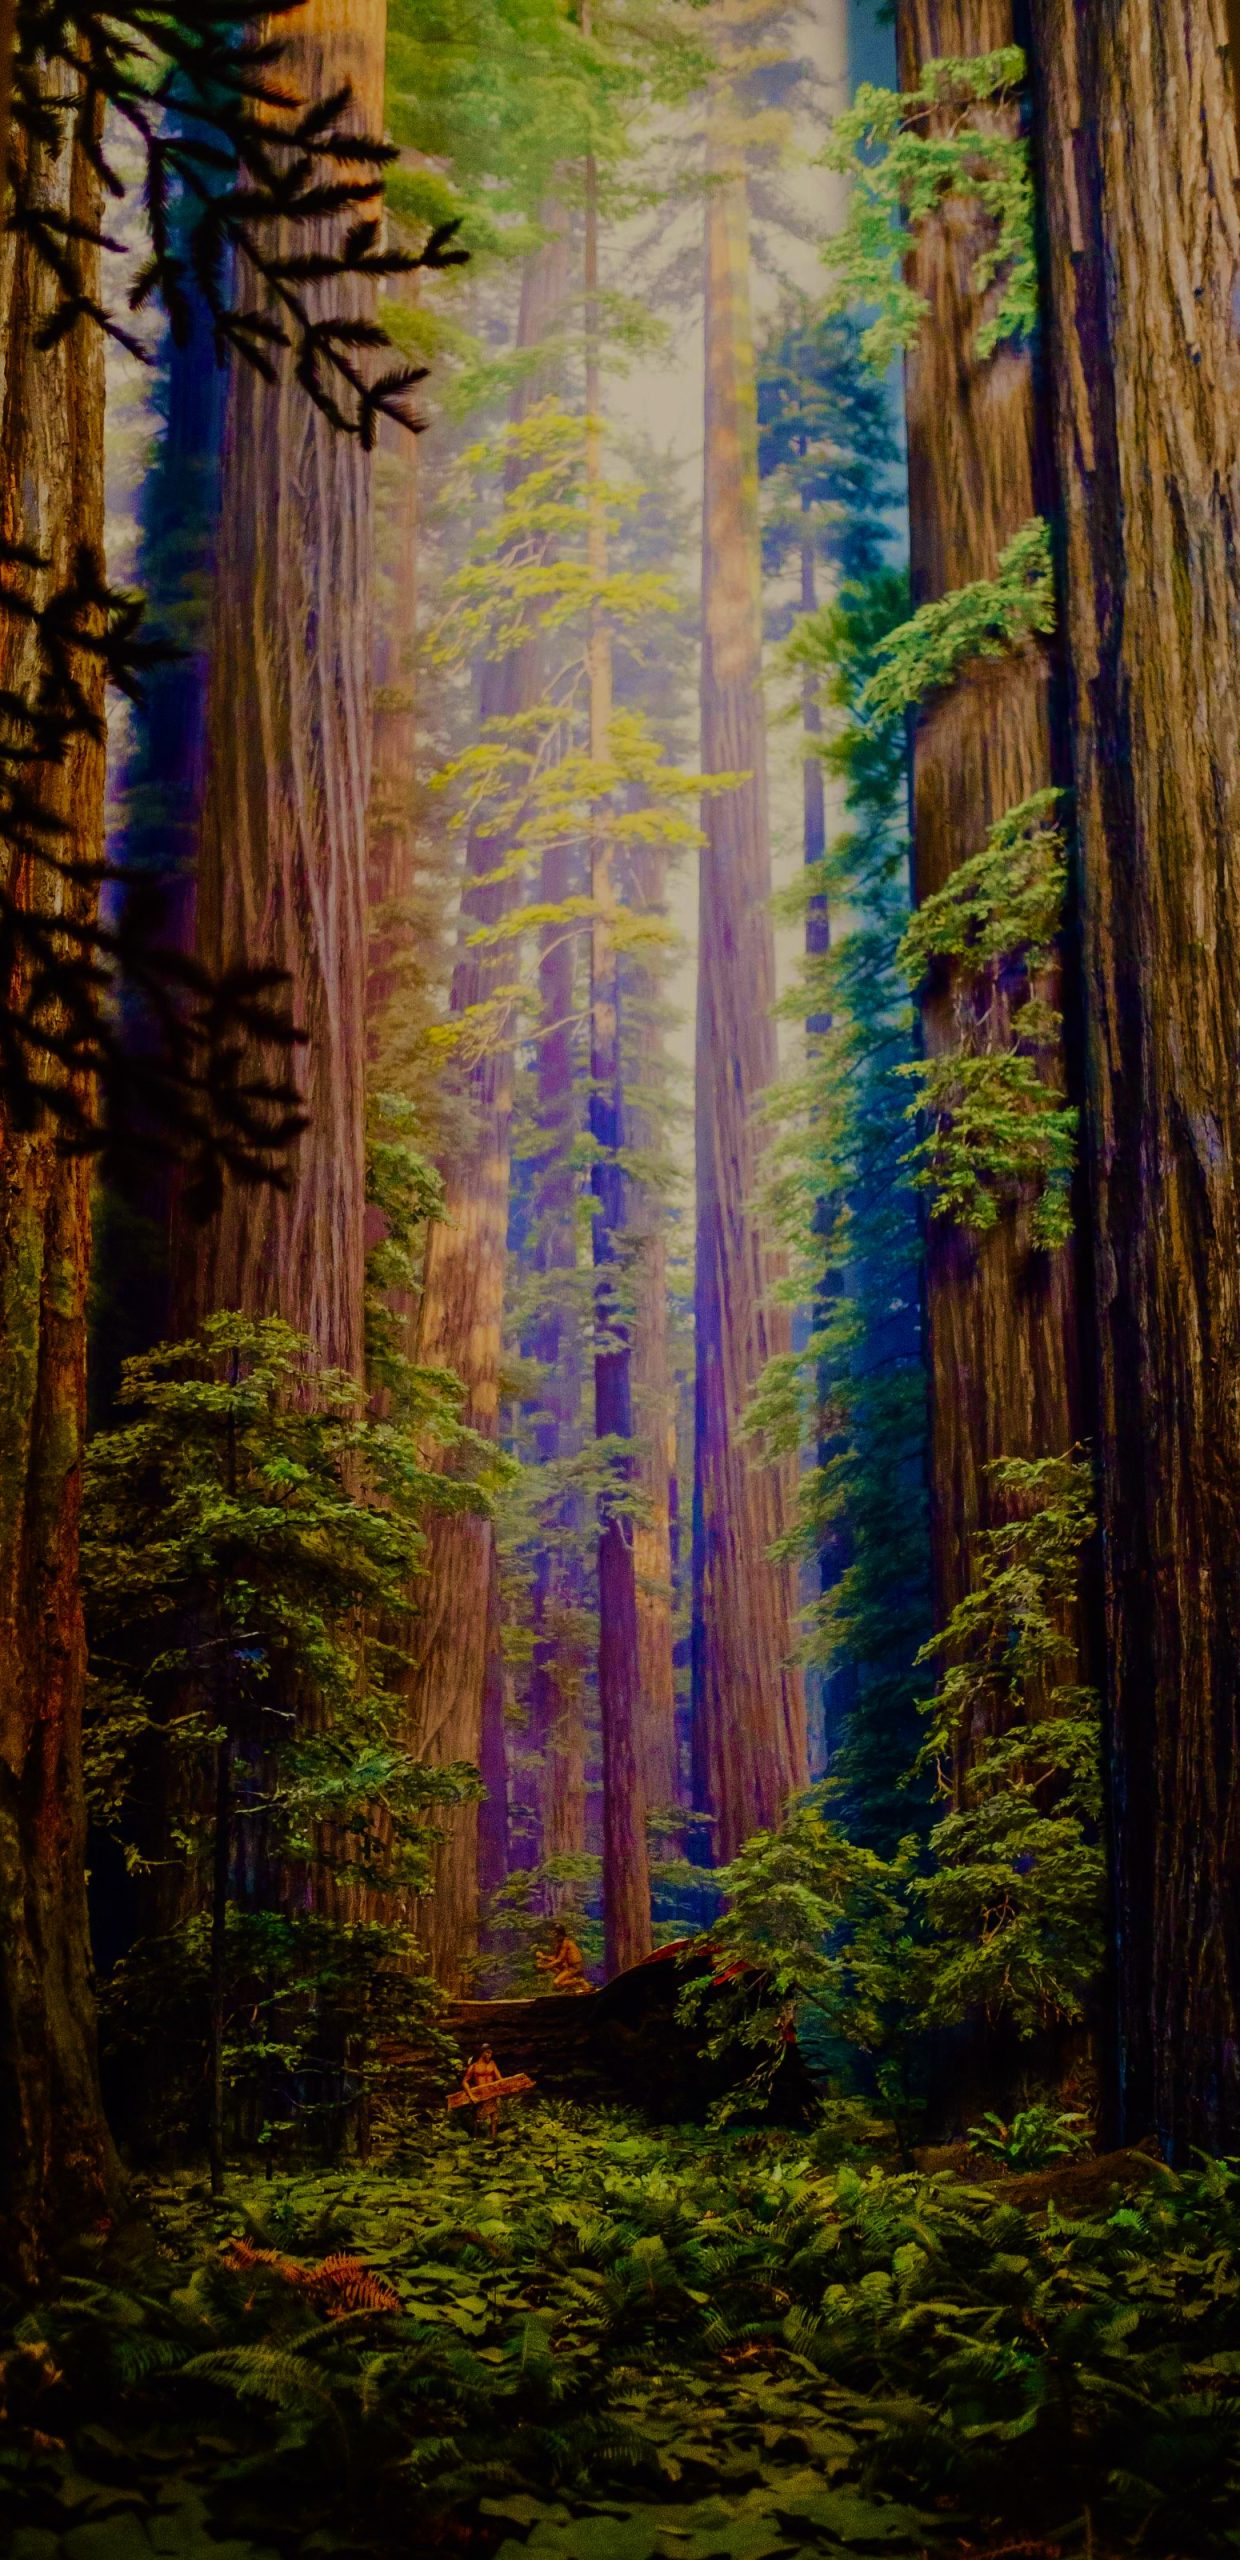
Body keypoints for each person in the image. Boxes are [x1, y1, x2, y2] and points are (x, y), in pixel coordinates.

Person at [535, 1919, 590, 1995]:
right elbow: (555, 1958)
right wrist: (543, 1957)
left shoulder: (565, 1943)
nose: (553, 1935)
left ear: (559, 1933)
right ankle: (574, 1985)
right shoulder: (560, 1943)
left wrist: (545, 1966)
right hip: (569, 1967)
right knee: (557, 1981)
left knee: (556, 1983)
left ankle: (579, 1981)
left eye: (554, 1933)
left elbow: (559, 1960)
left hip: (574, 1968)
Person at [462, 2044, 504, 2137]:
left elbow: (500, 2079)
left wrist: (505, 2087)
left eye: (491, 2053)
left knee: (495, 2117)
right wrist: (471, 2096)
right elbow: (465, 2082)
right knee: (480, 2118)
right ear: (482, 2053)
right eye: (488, 2053)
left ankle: (494, 2138)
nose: (489, 2055)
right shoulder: (474, 2066)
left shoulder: (492, 2064)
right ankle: (478, 2139)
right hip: (480, 2095)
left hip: (492, 2094)